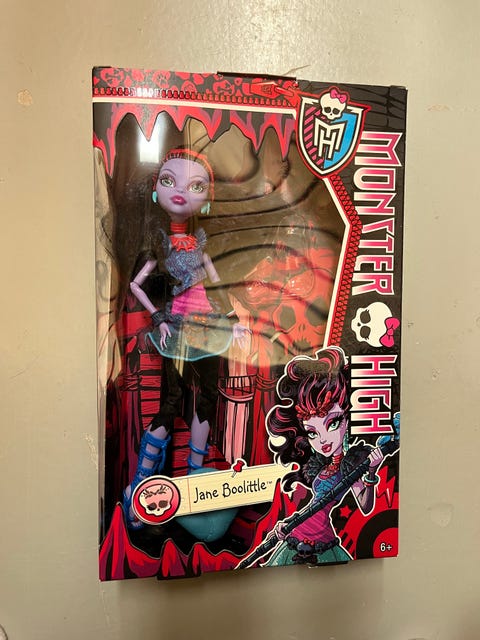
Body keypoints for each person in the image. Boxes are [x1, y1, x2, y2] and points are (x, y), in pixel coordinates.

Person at [123, 148, 248, 528]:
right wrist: (159, 317)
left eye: (196, 186)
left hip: (208, 328)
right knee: (171, 400)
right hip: (176, 329)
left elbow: (217, 287)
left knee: (206, 398)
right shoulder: (158, 246)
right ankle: (141, 482)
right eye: (168, 181)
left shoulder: (202, 245)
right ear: (155, 191)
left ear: (207, 198)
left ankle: (195, 476)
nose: (180, 191)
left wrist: (234, 320)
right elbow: (135, 285)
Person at [264, 346, 384, 565]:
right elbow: (313, 505)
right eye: (312, 433)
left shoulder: (351, 464)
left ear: (347, 418)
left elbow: (366, 507)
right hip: (296, 531)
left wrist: (371, 472)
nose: (323, 440)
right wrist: (287, 524)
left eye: (333, 423)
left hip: (321, 537)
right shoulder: (320, 464)